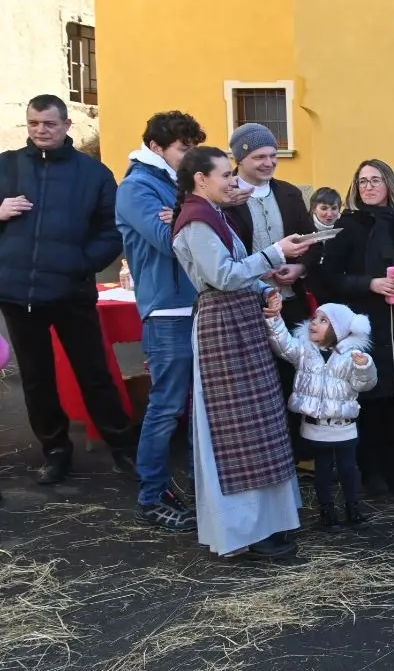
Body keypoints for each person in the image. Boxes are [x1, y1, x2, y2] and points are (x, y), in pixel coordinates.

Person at [169, 145, 312, 559]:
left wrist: (266, 288)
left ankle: (268, 522)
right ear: (201, 179)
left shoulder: (212, 215)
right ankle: (247, 530)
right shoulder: (196, 221)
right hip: (222, 330)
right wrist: (275, 253)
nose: (233, 182)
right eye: (225, 175)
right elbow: (224, 276)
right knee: (236, 431)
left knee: (260, 424)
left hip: (240, 323)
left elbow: (238, 269)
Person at [0, 94, 138, 485]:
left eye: (49, 123)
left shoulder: (93, 175)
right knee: (37, 378)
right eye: (33, 123)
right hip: (18, 292)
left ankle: (122, 449)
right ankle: (56, 452)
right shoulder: (6, 166)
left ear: (66, 126)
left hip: (71, 292)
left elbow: (112, 232)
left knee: (93, 373)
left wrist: (79, 264)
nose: (41, 130)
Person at [314, 160, 394, 496]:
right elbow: (329, 279)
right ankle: (370, 473)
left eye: (375, 180)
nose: (368, 187)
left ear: (389, 186)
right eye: (362, 181)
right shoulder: (348, 226)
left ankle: (393, 469)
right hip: (366, 327)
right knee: (371, 402)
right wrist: (370, 284)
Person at [116, 110, 208, 529]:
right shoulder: (136, 188)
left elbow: (193, 232)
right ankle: (152, 495)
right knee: (167, 407)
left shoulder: (176, 186)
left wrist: (189, 212)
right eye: (182, 148)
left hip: (197, 304)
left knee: (198, 407)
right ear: (156, 147)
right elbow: (170, 242)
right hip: (168, 309)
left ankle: (197, 486)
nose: (189, 157)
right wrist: (195, 211)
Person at [223, 124, 322, 460]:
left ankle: (300, 450)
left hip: (290, 301)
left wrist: (300, 268)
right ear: (239, 159)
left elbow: (311, 242)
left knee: (297, 374)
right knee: (254, 381)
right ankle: (260, 453)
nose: (268, 163)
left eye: (272, 155)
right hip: (246, 303)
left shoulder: (290, 193)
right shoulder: (226, 196)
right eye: (259, 157)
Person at [265, 295, 377, 529]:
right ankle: (326, 510)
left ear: (339, 329)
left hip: (344, 425)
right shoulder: (305, 352)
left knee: (348, 467)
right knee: (322, 469)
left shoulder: (351, 356)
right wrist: (275, 319)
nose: (314, 323)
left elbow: (364, 384)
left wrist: (364, 367)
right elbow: (282, 344)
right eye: (315, 318)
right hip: (316, 425)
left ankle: (353, 507)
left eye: (323, 320)